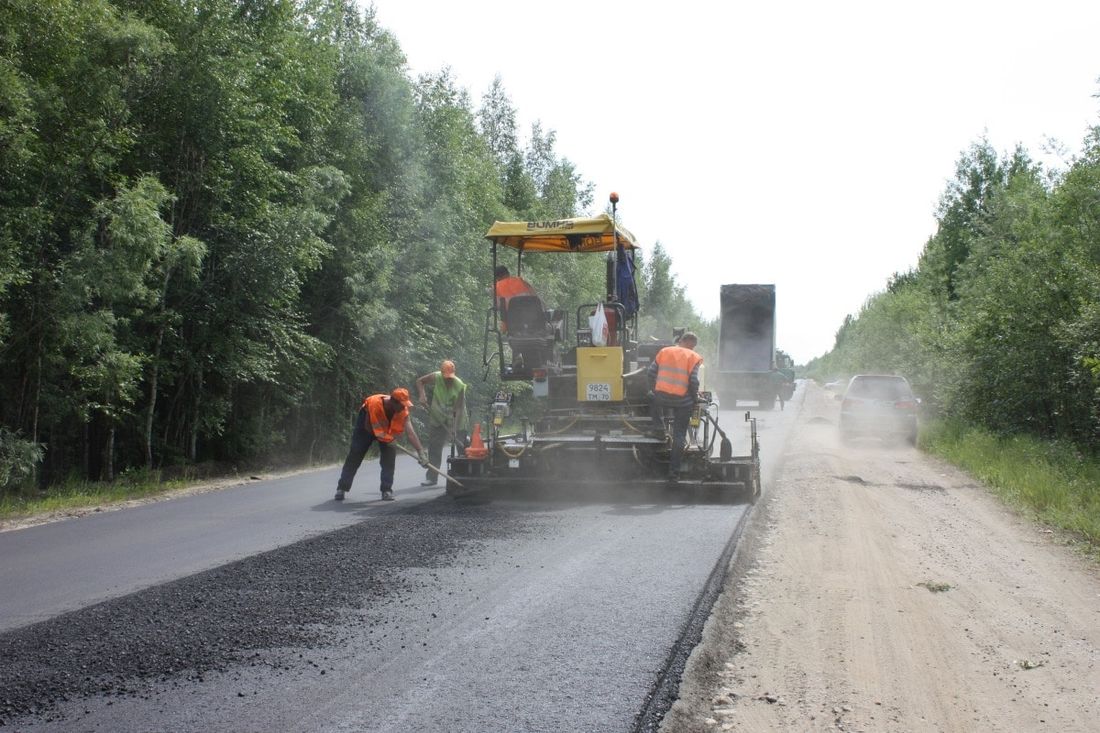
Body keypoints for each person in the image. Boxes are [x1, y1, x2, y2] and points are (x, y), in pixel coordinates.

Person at [335, 387, 427, 502]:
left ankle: (386, 490)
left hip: (386, 432)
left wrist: (421, 452)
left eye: (405, 404)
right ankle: (342, 488)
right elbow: (369, 427)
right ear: (393, 401)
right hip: (366, 428)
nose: (404, 407)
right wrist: (388, 439)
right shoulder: (374, 404)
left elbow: (411, 433)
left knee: (389, 459)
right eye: (401, 404)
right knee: (355, 454)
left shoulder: (403, 410)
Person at [647, 332, 704, 480]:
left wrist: (654, 390)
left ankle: (659, 429)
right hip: (683, 402)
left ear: (680, 340)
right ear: (692, 344)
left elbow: (650, 373)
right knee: (679, 435)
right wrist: (694, 396)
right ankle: (674, 472)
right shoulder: (693, 357)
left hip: (662, 398)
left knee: (652, 398)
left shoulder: (664, 351)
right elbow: (693, 381)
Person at [415, 360, 469, 486]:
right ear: (442, 373)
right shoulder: (437, 376)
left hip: (457, 419)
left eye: (450, 378)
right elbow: (419, 381)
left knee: (462, 449)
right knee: (434, 448)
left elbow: (458, 409)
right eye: (446, 377)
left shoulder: (459, 385)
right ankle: (432, 477)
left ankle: (464, 477)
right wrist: (422, 395)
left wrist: (454, 429)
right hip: (437, 417)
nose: (448, 380)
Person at [494, 265, 541, 333]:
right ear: (508, 274)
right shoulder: (520, 281)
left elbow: (499, 306)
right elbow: (535, 296)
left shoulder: (496, 287)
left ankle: (504, 331)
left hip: (512, 319)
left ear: (497, 277)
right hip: (532, 316)